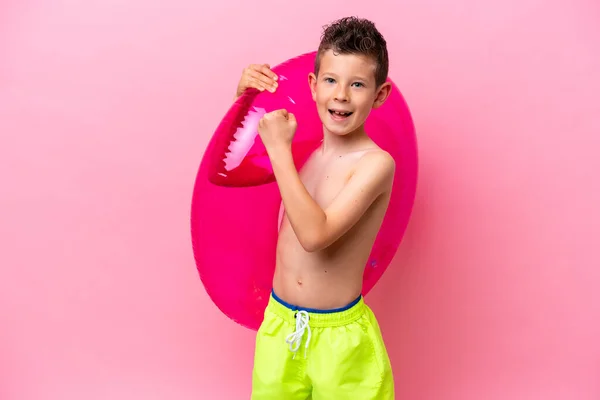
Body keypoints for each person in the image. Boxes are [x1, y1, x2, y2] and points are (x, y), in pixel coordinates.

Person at [235, 16, 395, 400]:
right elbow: (235, 169)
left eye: (357, 84)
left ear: (379, 95)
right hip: (280, 327)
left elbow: (315, 235)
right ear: (313, 85)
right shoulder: (304, 152)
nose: (341, 95)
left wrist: (278, 149)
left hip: (340, 343)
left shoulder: (375, 164)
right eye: (331, 80)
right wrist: (244, 99)